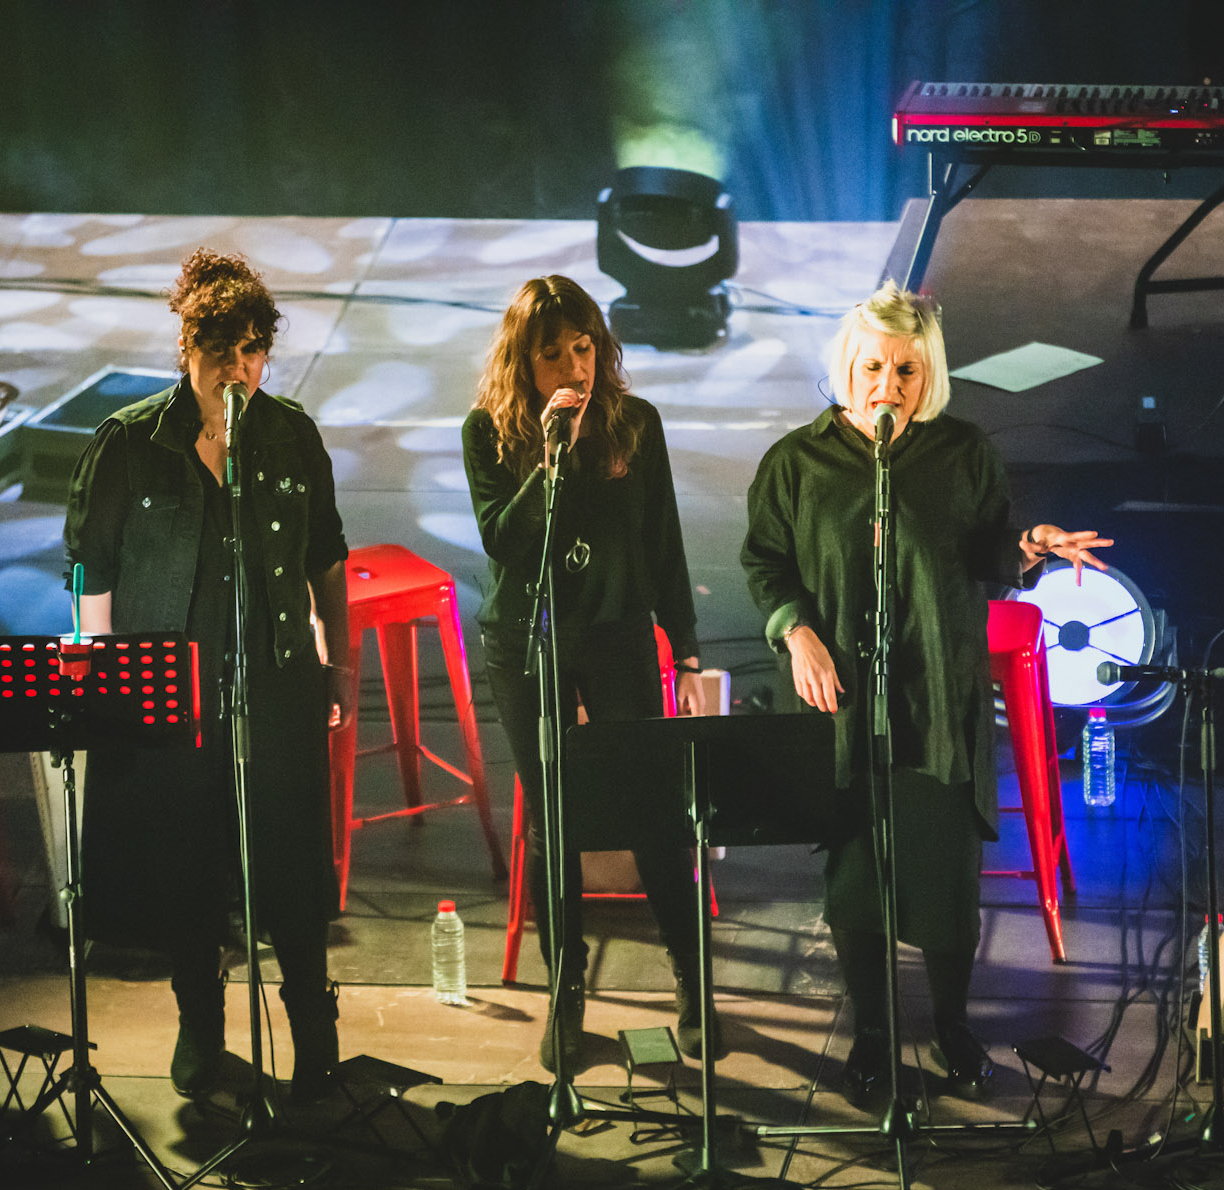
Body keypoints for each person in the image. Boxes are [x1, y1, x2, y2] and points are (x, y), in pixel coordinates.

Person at [739, 282, 1111, 1104]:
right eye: (875, 367)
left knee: (946, 880)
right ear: (848, 365)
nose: (890, 385)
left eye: (907, 370)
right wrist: (796, 630)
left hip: (938, 697)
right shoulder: (797, 463)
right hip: (846, 704)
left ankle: (951, 1025)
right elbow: (766, 561)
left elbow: (986, 554)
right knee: (857, 879)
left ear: (928, 374)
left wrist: (1029, 548)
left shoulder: (961, 453)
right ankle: (873, 1035)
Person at [63, 248, 354, 1105]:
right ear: (187, 349)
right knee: (186, 861)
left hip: (275, 680)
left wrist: (340, 663)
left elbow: (326, 557)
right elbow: (90, 567)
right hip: (172, 692)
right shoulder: (129, 442)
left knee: (289, 860)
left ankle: (314, 1029)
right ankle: (201, 1024)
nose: (240, 367)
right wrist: (103, 681)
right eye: (222, 350)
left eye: (254, 350)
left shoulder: (290, 433)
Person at [462, 275, 710, 1072]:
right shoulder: (488, 431)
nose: (575, 367)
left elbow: (664, 541)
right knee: (554, 818)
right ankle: (566, 991)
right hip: (525, 638)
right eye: (554, 355)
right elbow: (503, 540)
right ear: (522, 363)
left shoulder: (636, 424)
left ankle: (692, 977)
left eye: (585, 347)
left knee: (651, 808)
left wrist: (687, 646)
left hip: (617, 633)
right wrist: (551, 457)